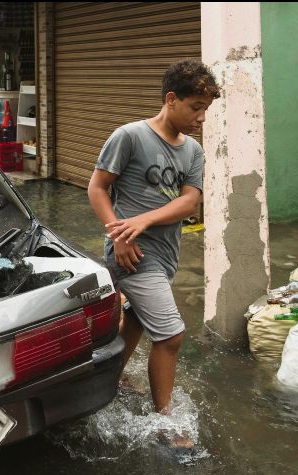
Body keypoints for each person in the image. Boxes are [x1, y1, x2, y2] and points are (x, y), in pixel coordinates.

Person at [87, 59, 220, 421]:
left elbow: (191, 201)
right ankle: (164, 420)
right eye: (196, 107)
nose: (201, 118)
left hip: (166, 255)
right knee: (171, 336)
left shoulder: (192, 150)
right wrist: (119, 234)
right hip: (131, 252)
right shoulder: (130, 136)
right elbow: (98, 187)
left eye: (205, 110)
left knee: (136, 320)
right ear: (171, 99)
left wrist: (145, 219)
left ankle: (104, 381)